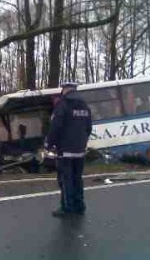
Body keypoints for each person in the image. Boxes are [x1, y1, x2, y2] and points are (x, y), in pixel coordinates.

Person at [45, 82, 92, 217]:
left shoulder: (63, 104)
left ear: (65, 90)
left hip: (65, 151)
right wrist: (82, 143)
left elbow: (56, 127)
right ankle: (80, 205)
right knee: (77, 178)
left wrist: (48, 144)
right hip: (80, 150)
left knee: (66, 180)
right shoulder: (85, 105)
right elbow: (89, 127)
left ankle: (67, 208)